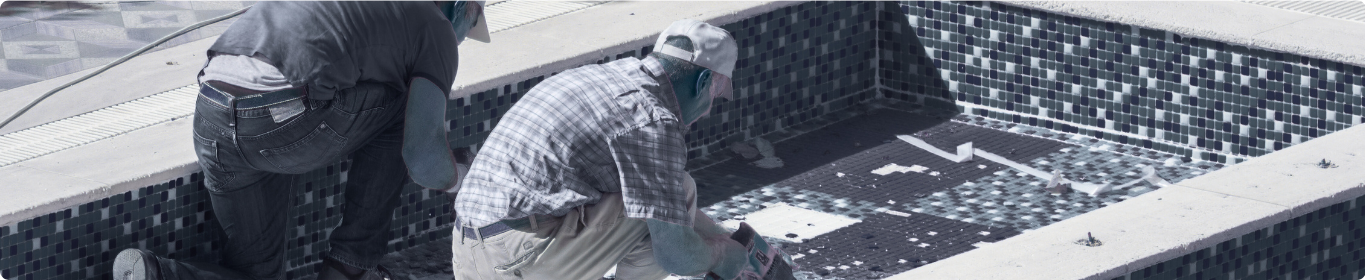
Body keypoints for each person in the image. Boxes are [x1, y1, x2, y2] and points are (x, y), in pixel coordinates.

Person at [112, 0, 490, 279]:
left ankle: (157, 273)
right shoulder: (435, 25)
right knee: (403, 103)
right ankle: (350, 268)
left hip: (212, 112)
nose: (463, 39)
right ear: (460, 6)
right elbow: (422, 158)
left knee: (258, 274)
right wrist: (465, 177)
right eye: (471, 24)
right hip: (281, 115)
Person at [449, 19, 760, 280]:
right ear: (702, 82)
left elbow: (658, 200)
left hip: (468, 248)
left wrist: (722, 233)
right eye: (716, 94)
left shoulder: (603, 78)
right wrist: (721, 255)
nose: (707, 112)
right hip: (517, 261)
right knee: (678, 195)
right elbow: (676, 255)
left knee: (668, 200)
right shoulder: (653, 121)